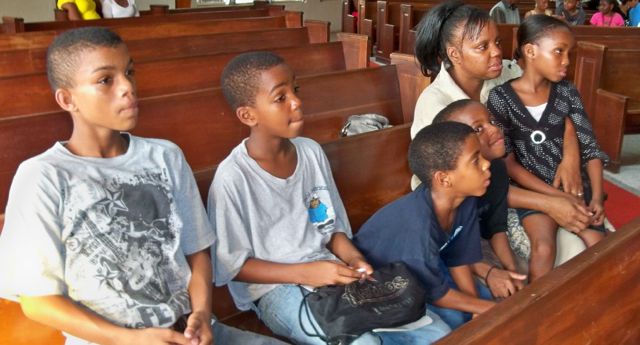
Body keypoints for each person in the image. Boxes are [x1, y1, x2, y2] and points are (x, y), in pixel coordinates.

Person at [0, 27, 286, 345]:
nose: (128, 87)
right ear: (68, 99)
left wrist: (202, 315)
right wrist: (129, 339)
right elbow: (38, 301)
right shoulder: (43, 177)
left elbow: (198, 252)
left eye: (129, 72)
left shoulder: (165, 156)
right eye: (106, 80)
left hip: (188, 331)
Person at [208, 51, 451, 345]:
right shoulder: (233, 178)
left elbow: (330, 228)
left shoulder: (310, 152)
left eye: (294, 90)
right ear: (248, 114)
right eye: (280, 97)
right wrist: (307, 273)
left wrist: (356, 259)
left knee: (436, 332)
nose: (296, 102)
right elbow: (232, 267)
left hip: (331, 269)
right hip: (275, 290)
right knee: (366, 344)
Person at [487, 16, 610, 282]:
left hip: (575, 190)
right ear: (530, 51)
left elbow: (590, 147)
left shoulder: (567, 92)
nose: (566, 60)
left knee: (599, 245)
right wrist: (554, 197)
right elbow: (507, 164)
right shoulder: (501, 98)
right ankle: (533, 311)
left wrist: (598, 196)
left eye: (569, 53)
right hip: (535, 192)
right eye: (559, 51)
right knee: (542, 250)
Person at [353, 122, 496, 331]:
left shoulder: (464, 199)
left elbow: (458, 257)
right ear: (444, 178)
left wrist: (476, 307)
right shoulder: (418, 224)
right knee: (456, 322)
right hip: (379, 283)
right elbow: (435, 293)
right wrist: (484, 308)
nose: (486, 164)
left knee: (485, 303)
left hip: (419, 270)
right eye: (475, 160)